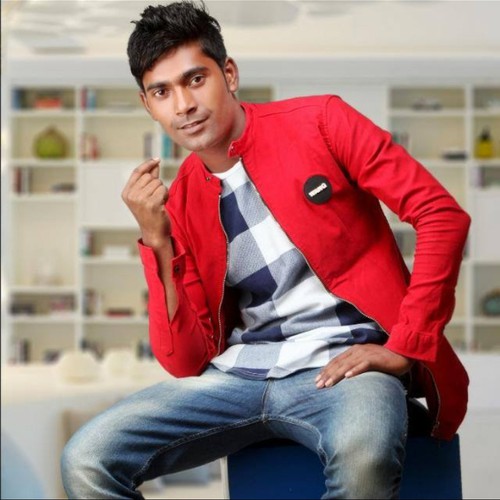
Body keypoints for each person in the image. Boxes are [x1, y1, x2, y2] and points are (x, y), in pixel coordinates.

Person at [61, 1, 470, 498]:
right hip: (241, 376)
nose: (183, 105)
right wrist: (157, 239)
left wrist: (405, 344)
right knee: (86, 459)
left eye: (195, 79)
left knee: (365, 456)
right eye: (162, 91)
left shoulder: (322, 121)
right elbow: (184, 359)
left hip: (344, 365)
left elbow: (441, 215)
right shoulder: (182, 197)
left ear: (229, 74)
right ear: (149, 105)